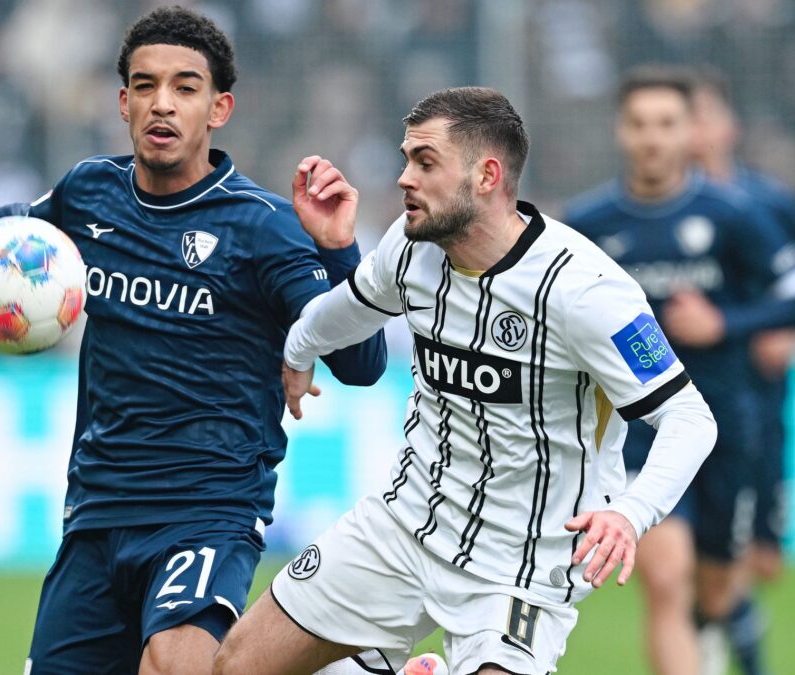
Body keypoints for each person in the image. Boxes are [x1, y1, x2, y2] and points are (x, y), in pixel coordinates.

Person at [0, 7, 386, 675]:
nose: (163, 103)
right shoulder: (90, 192)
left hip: (207, 507)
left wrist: (338, 252)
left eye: (186, 88)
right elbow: (11, 229)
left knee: (174, 665)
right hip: (98, 510)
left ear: (219, 108)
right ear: (123, 102)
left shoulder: (264, 228)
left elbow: (363, 364)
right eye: (146, 85)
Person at [212, 86, 717, 675]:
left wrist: (630, 513)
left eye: (425, 163)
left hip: (521, 567)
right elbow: (353, 304)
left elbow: (689, 418)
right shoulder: (411, 246)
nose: (404, 178)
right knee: (237, 666)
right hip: (406, 524)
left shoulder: (587, 291)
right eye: (406, 159)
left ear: (486, 176)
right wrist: (299, 350)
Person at [564, 66, 794, 675]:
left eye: (666, 124)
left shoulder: (733, 215)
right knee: (665, 580)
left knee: (716, 589)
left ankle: (717, 628)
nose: (652, 138)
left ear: (690, 130)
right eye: (639, 124)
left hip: (727, 426)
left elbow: (787, 293)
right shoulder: (588, 225)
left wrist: (726, 324)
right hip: (637, 430)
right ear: (621, 131)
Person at [678, 68, 795, 675]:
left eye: (699, 115)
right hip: (674, 406)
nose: (691, 131)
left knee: (748, 564)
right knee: (674, 564)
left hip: (753, 403)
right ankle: (703, 644)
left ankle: (729, 639)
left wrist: (768, 331)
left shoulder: (769, 203)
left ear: (728, 126)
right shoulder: (654, 211)